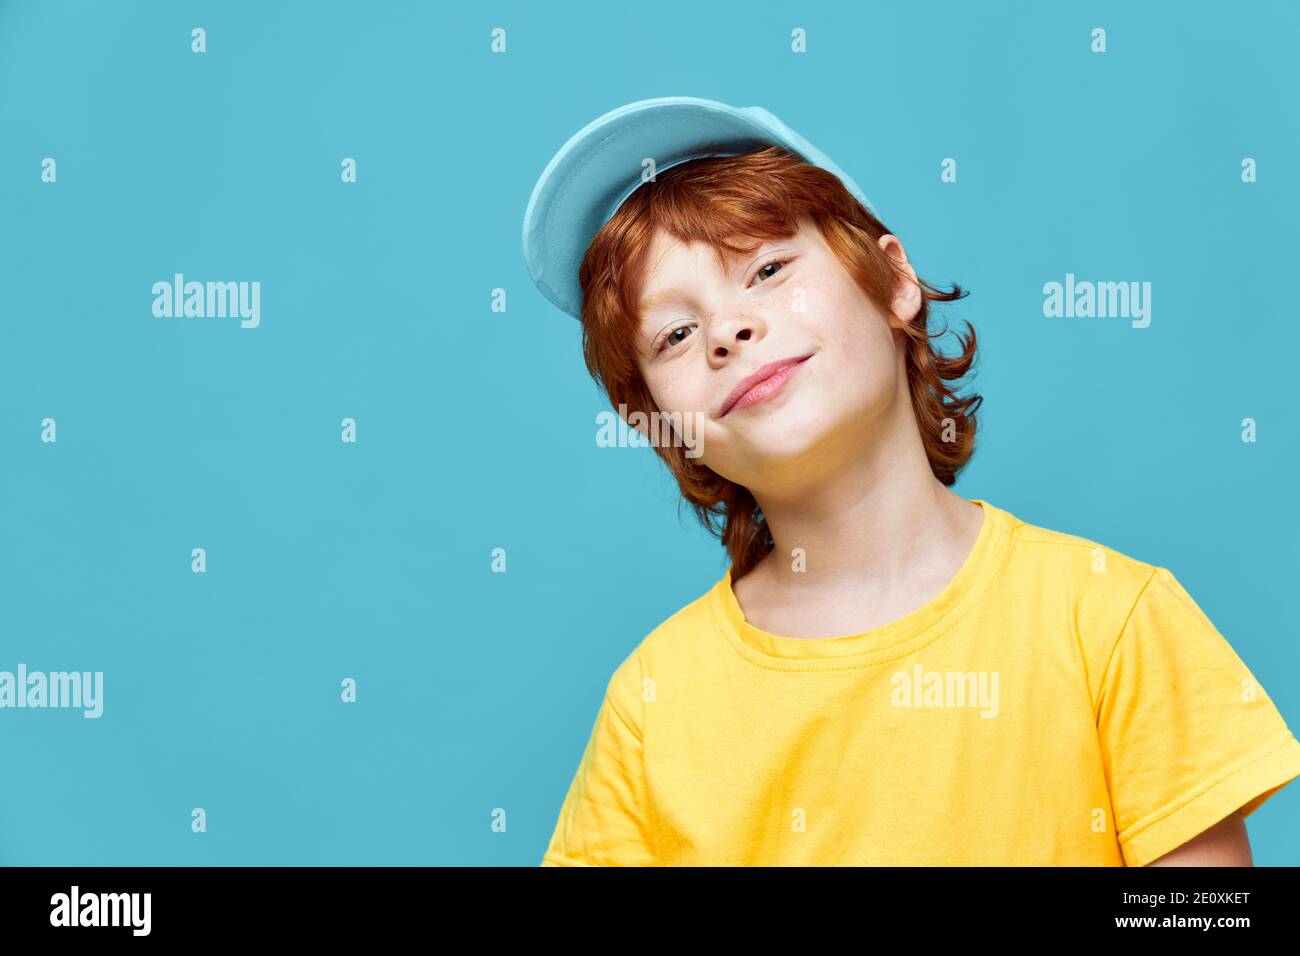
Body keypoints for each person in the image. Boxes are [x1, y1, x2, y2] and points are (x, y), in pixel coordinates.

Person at [520, 97, 1300, 866]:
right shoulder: (653, 701)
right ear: (656, 419)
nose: (728, 331)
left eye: (766, 268)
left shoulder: (1112, 620)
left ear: (894, 280)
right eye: (676, 334)